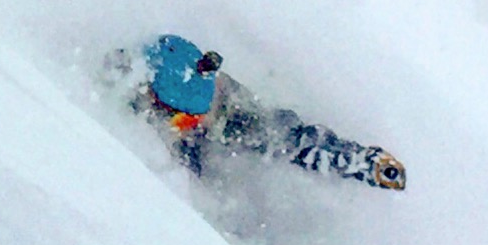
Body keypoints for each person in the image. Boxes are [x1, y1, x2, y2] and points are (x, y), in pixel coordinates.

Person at [101, 35, 406, 191]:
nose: (195, 125)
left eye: (195, 118)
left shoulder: (231, 116)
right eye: (185, 120)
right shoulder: (137, 85)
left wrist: (360, 162)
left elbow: (293, 140)